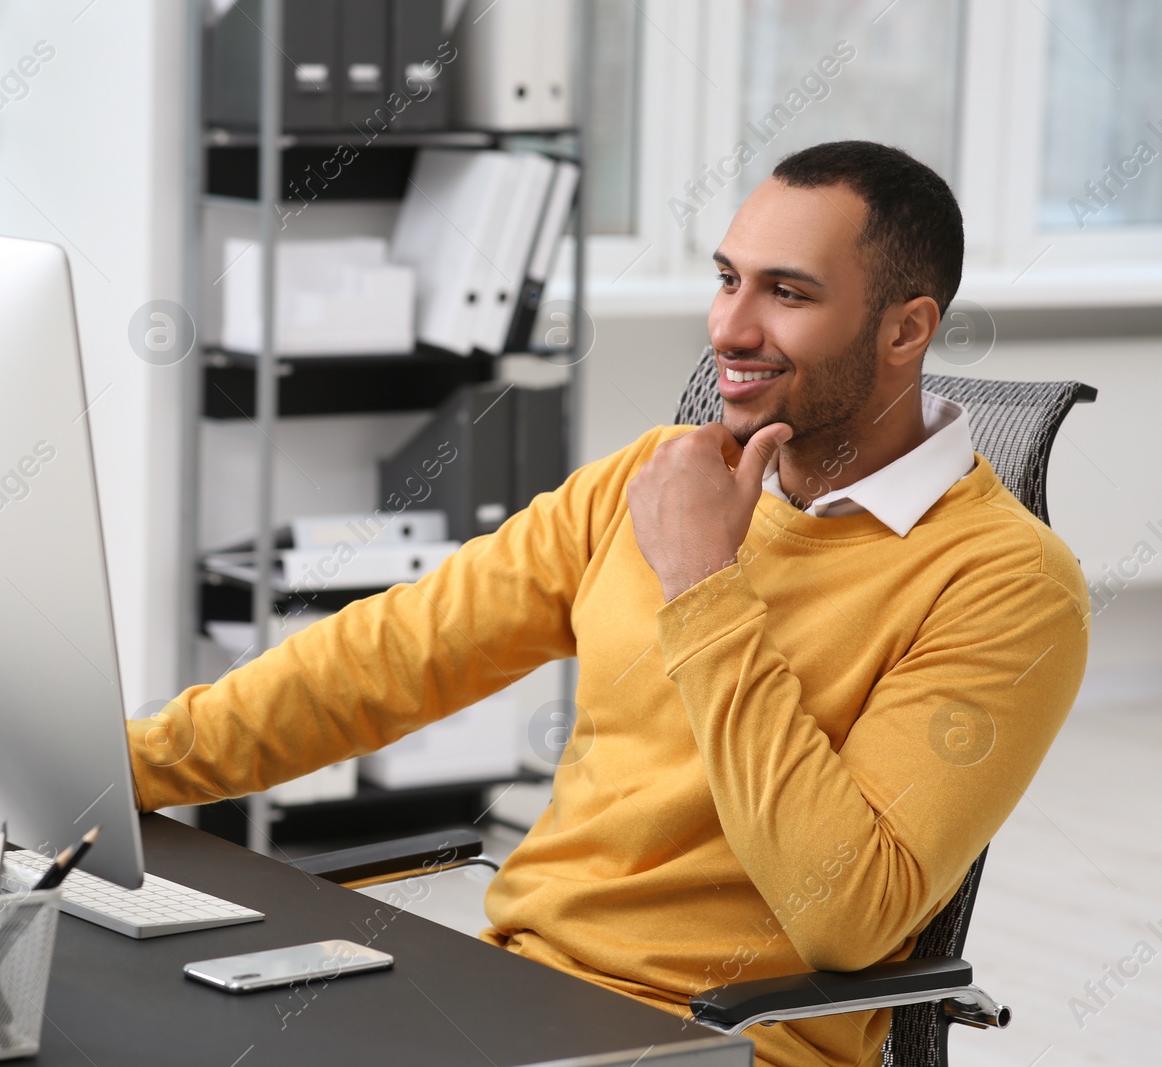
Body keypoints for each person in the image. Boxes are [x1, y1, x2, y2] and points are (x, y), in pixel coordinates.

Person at [119, 141, 1090, 1067]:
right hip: (511, 996)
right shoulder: (648, 477)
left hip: (718, 1041)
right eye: (726, 278)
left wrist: (703, 586)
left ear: (905, 329)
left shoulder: (1004, 582)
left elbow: (845, 911)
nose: (729, 328)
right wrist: (118, 767)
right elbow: (390, 656)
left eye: (785, 292)